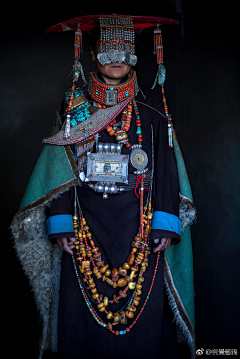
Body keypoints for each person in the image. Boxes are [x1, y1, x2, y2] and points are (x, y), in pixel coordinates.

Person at [11, 15, 197, 359]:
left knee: (144, 318)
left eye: (125, 52)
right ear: (93, 54)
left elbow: (167, 170)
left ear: (135, 57)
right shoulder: (75, 109)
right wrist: (61, 223)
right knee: (80, 320)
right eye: (108, 50)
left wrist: (164, 224)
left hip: (139, 231)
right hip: (84, 231)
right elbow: (57, 173)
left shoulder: (152, 111)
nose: (116, 59)